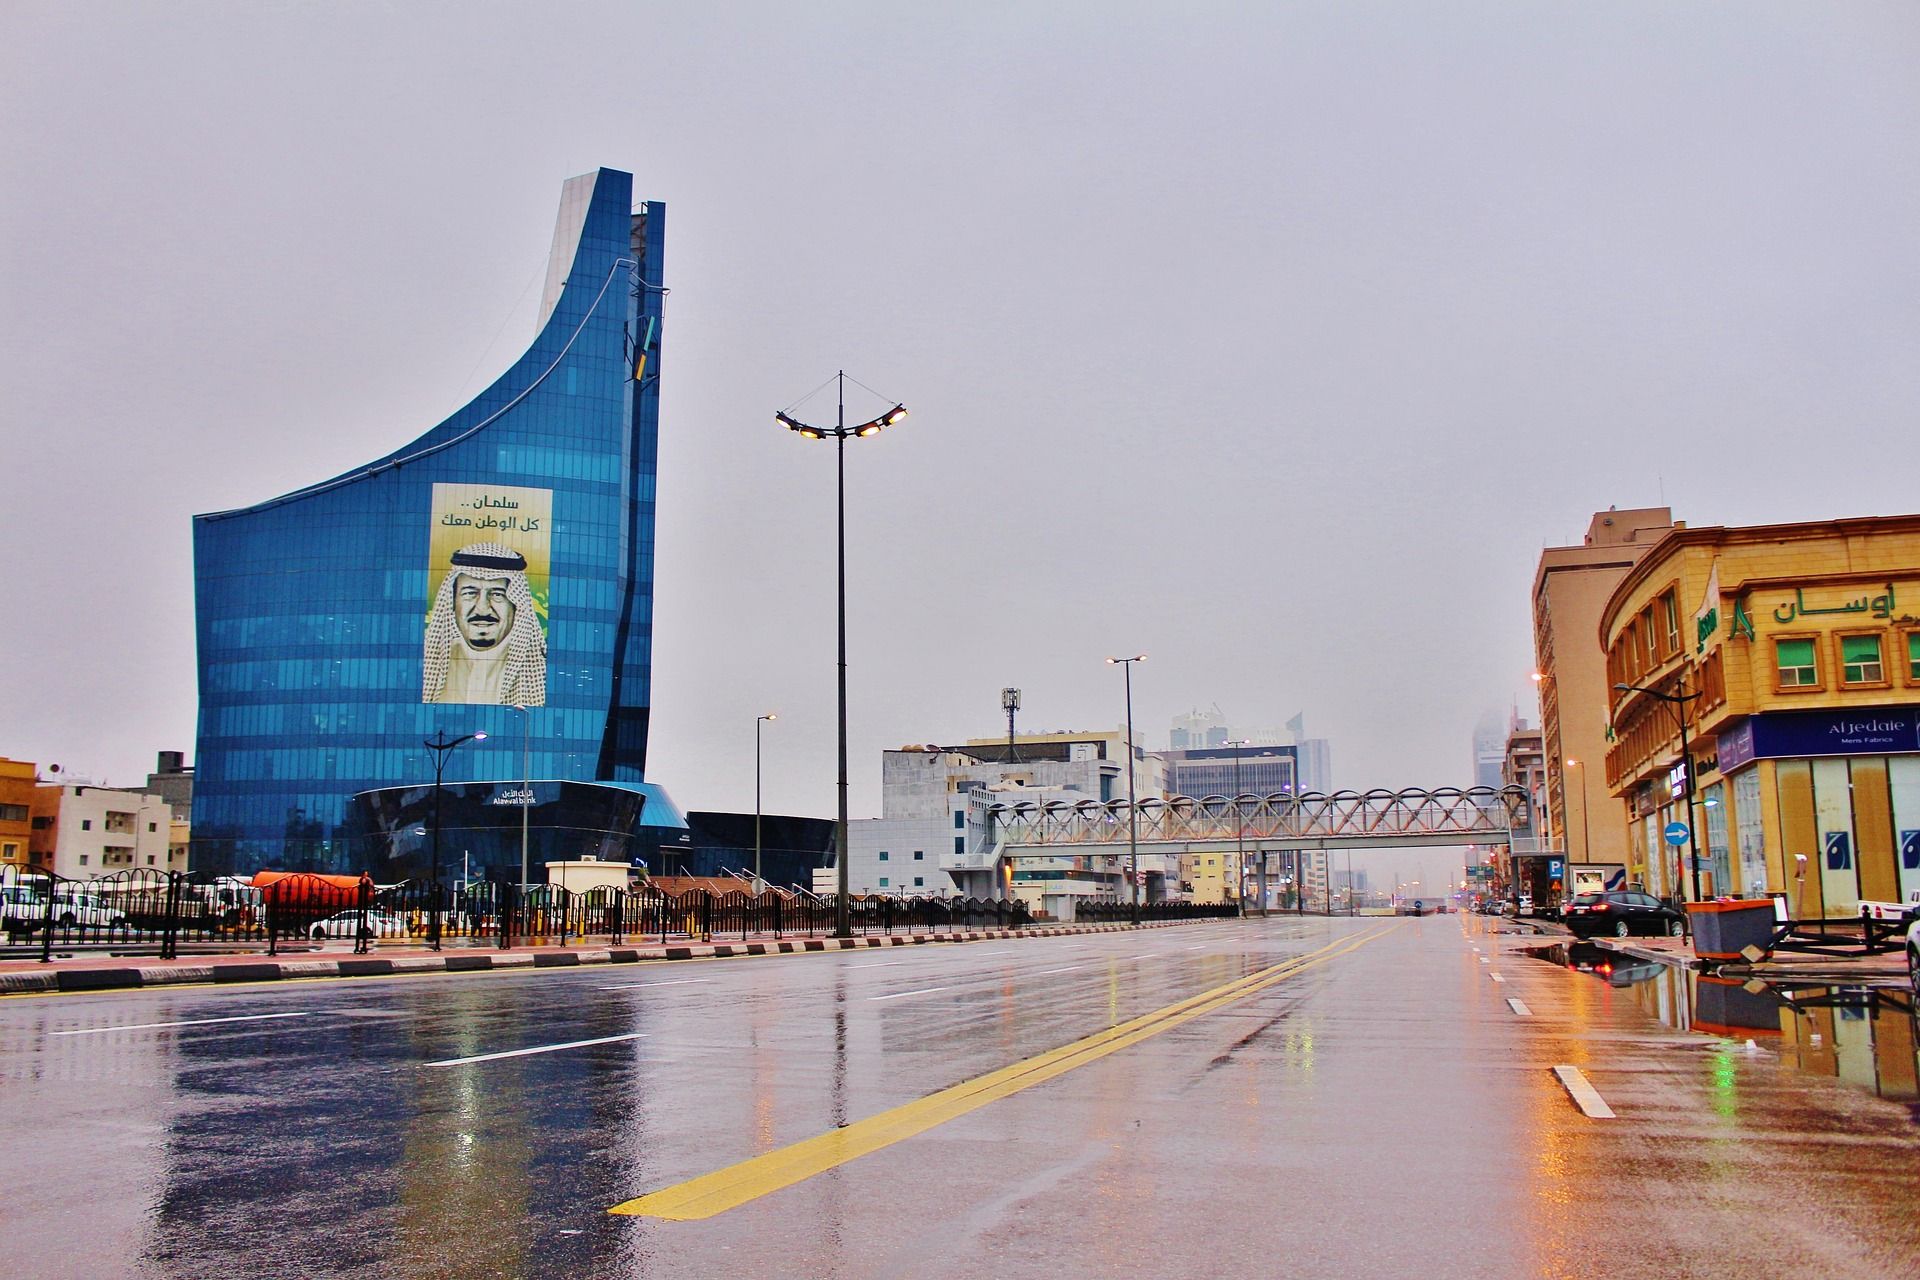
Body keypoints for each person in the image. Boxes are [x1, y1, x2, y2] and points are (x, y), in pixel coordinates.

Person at [422, 542, 546, 705]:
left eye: (497, 594)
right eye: (470, 593)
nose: (482, 609)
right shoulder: (426, 664)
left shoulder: (541, 671)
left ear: (516, 606)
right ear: (452, 602)